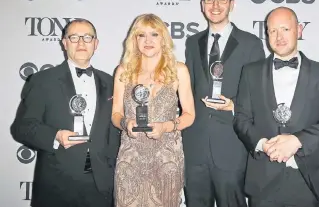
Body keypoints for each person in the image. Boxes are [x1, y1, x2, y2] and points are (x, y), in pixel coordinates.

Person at [233, 6, 319, 207]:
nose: (278, 36)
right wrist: (263, 144)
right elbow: (241, 119)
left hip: (306, 180)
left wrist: (297, 141)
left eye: (285, 29)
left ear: (299, 30)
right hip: (262, 181)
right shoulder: (250, 72)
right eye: (272, 31)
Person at [11, 19, 120, 207]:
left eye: (87, 37)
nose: (81, 43)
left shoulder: (112, 83)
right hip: (57, 185)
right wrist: (55, 136)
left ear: (96, 43)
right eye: (74, 37)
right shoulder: (42, 80)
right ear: (64, 42)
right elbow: (22, 127)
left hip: (102, 187)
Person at [183, 0, 265, 207]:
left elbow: (260, 94)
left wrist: (233, 106)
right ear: (202, 5)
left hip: (232, 147)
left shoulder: (251, 43)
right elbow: (187, 90)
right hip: (194, 149)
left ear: (232, 4)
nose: (215, 5)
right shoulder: (192, 42)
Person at [111, 13, 195, 207]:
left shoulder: (178, 70)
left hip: (166, 160)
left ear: (163, 39)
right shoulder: (124, 71)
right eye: (141, 35)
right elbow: (116, 113)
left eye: (154, 34)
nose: (148, 40)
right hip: (130, 159)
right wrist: (126, 123)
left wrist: (166, 126)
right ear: (134, 39)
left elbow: (189, 115)